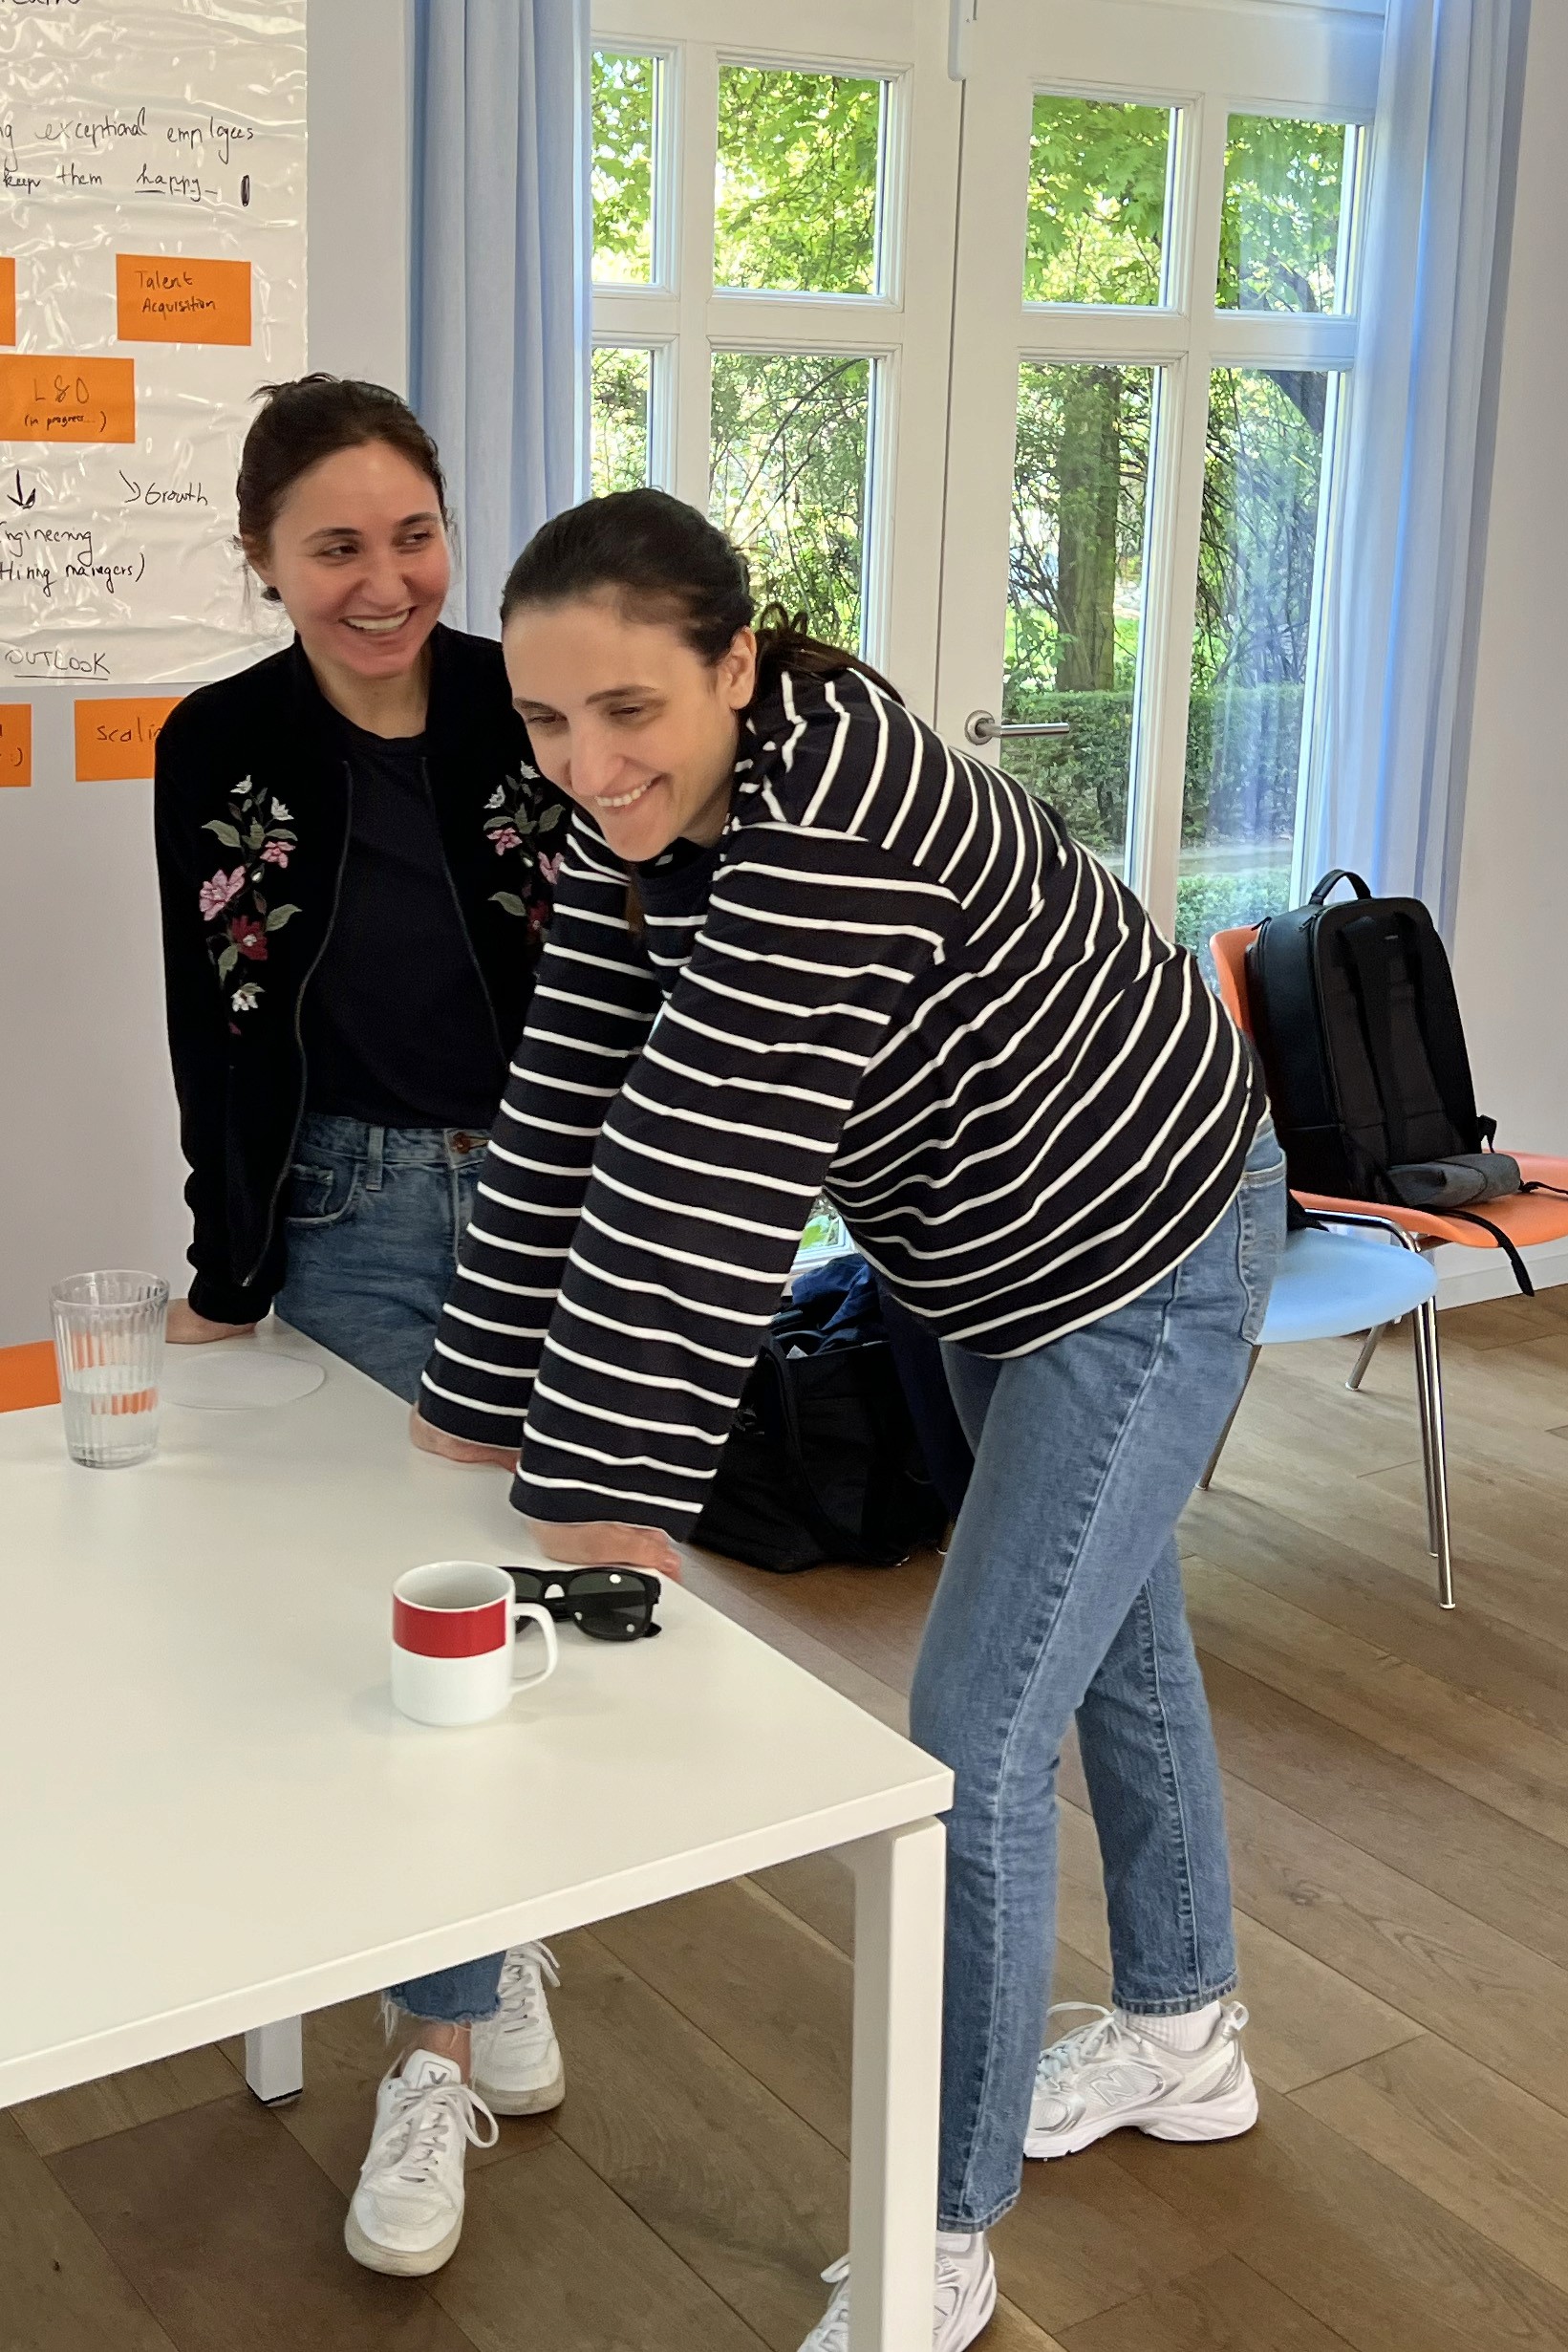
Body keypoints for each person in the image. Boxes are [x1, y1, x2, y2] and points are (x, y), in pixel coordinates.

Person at [411, 486, 1284, 2342]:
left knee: (967, 1738)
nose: (586, 765)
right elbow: (571, 1084)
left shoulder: (836, 809)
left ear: (734, 663)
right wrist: (468, 1402)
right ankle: (1184, 2027)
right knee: (1107, 1646)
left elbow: (706, 1159)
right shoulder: (633, 822)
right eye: (546, 721)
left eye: (627, 711)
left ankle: (929, 2245)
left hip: (1147, 1236)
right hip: (982, 1262)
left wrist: (602, 1490)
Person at [152, 374, 570, 2278]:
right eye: (336, 546)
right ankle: (434, 2048)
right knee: (417, 1627)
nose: (385, 580)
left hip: (560, 1209)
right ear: (264, 558)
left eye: (414, 534)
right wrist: (225, 1271)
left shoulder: (524, 699)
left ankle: (486, 1932)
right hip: (354, 1215)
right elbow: (215, 1022)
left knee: (544, 1598)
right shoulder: (216, 744)